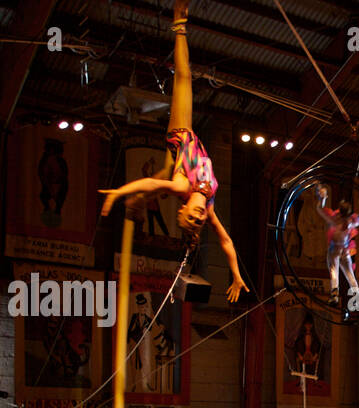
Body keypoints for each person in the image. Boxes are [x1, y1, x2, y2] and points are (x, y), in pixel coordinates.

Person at [98, 0, 248, 303]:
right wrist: (236, 274)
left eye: (189, 218)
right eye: (198, 221)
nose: (197, 218)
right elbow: (227, 241)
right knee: (163, 173)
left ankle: (179, 27)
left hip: (180, 136)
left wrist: (118, 193)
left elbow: (153, 184)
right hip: (180, 155)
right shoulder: (208, 205)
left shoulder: (184, 187)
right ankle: (138, 205)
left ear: (182, 209)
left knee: (184, 78)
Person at [315, 185, 359, 308]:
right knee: (349, 273)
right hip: (345, 250)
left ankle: (334, 295)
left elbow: (320, 209)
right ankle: (357, 297)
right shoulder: (351, 221)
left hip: (335, 249)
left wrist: (322, 197)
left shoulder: (333, 218)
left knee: (334, 269)